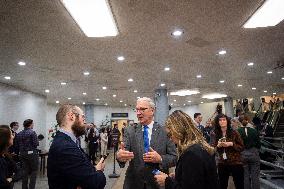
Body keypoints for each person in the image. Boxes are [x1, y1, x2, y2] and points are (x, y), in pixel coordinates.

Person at [116, 97, 177, 189]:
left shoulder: (165, 131)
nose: (138, 113)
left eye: (142, 109)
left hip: (157, 183)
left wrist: (160, 158)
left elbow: (174, 158)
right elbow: (124, 152)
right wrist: (120, 156)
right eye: (137, 110)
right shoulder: (130, 131)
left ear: (152, 111)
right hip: (134, 183)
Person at [154, 110, 219, 189]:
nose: (170, 139)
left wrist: (167, 181)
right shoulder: (200, 146)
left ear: (179, 130)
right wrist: (179, 175)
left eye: (170, 134)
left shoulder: (191, 154)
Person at [47, 104, 106, 189]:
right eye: (83, 117)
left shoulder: (68, 141)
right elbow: (95, 183)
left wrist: (93, 170)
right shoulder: (65, 147)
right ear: (72, 116)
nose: (85, 122)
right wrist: (99, 170)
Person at [213, 114, 244, 189]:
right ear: (217, 122)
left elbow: (242, 147)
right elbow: (212, 149)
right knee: (222, 185)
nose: (222, 121)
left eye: (224, 119)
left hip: (235, 162)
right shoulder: (216, 134)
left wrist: (231, 144)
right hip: (222, 162)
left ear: (227, 121)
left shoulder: (234, 132)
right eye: (220, 120)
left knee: (239, 184)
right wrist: (218, 146)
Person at [238, 115, 260, 189]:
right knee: (255, 175)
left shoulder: (237, 131)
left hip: (242, 154)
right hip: (253, 153)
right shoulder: (254, 131)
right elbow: (259, 144)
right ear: (247, 120)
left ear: (239, 121)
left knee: (245, 175)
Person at [15, 119, 39, 189]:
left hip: (22, 154)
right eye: (33, 123)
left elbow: (17, 145)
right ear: (30, 124)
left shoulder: (19, 133)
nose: (33, 124)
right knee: (34, 171)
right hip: (32, 154)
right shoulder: (32, 132)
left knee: (24, 171)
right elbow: (36, 144)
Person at [0, 125, 16, 189]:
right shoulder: (1, 160)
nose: (13, 136)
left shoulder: (5, 155)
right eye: (11, 134)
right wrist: (9, 180)